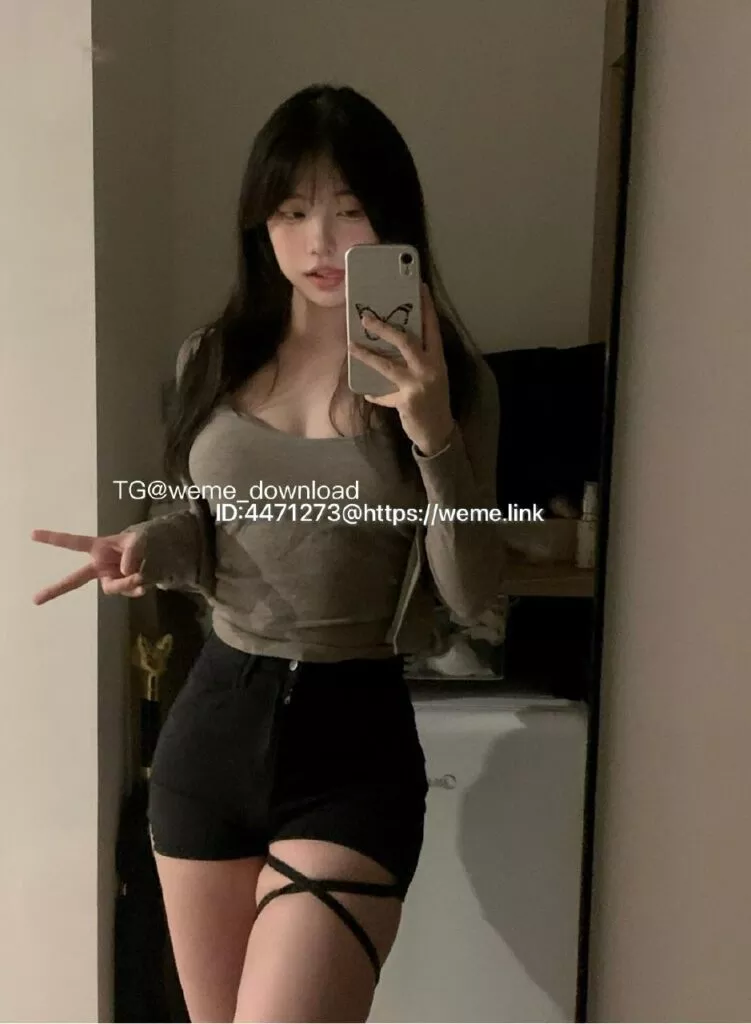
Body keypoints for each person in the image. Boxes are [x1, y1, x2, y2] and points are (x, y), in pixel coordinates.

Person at [31, 83, 502, 1023]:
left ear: (393, 222)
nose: (319, 243)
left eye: (349, 210)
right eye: (291, 212)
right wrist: (145, 544)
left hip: (350, 739)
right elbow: (207, 528)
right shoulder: (212, 357)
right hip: (211, 726)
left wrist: (431, 431)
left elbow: (472, 592)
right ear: (261, 223)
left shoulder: (451, 380)